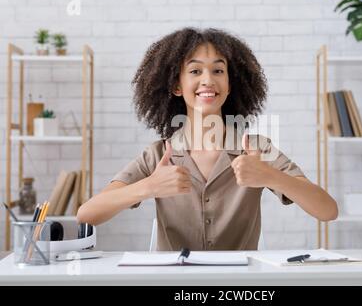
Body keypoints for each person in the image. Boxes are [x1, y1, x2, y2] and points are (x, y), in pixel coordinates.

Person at [77, 27, 338, 251]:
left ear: (230, 83)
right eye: (195, 71)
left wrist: (271, 176)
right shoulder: (159, 155)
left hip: (236, 287)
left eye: (218, 71)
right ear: (176, 86)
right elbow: (87, 214)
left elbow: (327, 211)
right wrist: (149, 187)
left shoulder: (257, 150)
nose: (208, 80)